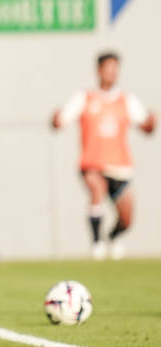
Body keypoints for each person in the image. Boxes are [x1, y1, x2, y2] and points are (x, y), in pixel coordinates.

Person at [52, 52, 156, 259]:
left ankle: (113, 236)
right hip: (92, 162)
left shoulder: (126, 100)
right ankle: (97, 243)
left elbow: (146, 127)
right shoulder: (85, 98)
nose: (112, 73)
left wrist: (152, 123)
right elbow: (60, 120)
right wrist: (56, 119)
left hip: (120, 166)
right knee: (96, 190)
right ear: (98, 70)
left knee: (127, 219)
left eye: (115, 69)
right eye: (108, 69)